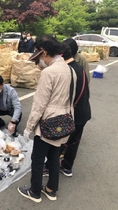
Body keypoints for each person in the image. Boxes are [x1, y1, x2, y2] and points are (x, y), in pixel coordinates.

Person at [18, 35, 77, 203]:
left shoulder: (48, 73)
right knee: (53, 156)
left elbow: (39, 104)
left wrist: (29, 127)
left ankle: (34, 191)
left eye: (39, 57)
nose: (39, 63)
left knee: (37, 158)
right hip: (64, 121)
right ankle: (51, 189)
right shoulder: (70, 69)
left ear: (43, 52)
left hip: (48, 123)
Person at [58, 43, 91, 176]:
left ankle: (50, 167)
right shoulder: (79, 68)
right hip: (84, 112)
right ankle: (67, 167)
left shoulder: (68, 71)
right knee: (74, 141)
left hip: (73, 113)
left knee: (60, 141)